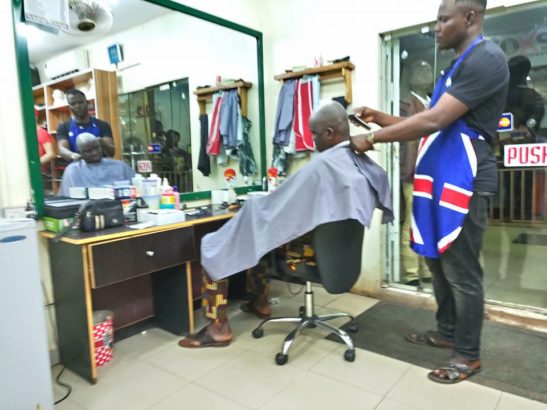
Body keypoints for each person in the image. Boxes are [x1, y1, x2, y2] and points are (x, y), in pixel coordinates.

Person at [350, 0, 509, 384]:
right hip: (439, 180)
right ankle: (447, 332)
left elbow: (435, 119)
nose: (436, 27)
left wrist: (372, 138)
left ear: (470, 17)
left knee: (462, 272)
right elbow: (430, 122)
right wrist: (381, 118)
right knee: (437, 264)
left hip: (465, 182)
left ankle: (468, 355)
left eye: (443, 19)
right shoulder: (455, 67)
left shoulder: (486, 59)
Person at [178, 101, 393, 348]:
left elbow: (276, 209)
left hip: (309, 256)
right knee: (259, 238)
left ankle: (217, 329)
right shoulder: (360, 162)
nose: (312, 141)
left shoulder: (323, 166)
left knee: (215, 246)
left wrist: (253, 206)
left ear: (330, 134)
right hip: (337, 254)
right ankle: (259, 302)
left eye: (314, 134)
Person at [399, 60, 434, 286]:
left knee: (426, 222)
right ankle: (411, 272)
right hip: (414, 173)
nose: (427, 72)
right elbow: (406, 141)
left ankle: (426, 269)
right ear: (410, 76)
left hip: (430, 173)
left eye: (429, 69)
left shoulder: (433, 101)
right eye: (420, 68)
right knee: (411, 223)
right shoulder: (406, 105)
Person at [58, 133, 135, 197]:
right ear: (80, 152)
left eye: (97, 148)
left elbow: (136, 189)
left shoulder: (120, 166)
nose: (95, 153)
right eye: (89, 151)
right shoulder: (73, 170)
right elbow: (66, 199)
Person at [56, 89, 115, 162]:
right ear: (69, 107)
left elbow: (111, 151)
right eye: (73, 104)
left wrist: (101, 142)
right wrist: (74, 156)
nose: (78, 106)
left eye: (80, 102)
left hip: (101, 169)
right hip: (78, 169)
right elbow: (62, 149)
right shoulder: (63, 127)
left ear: (87, 103)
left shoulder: (102, 125)